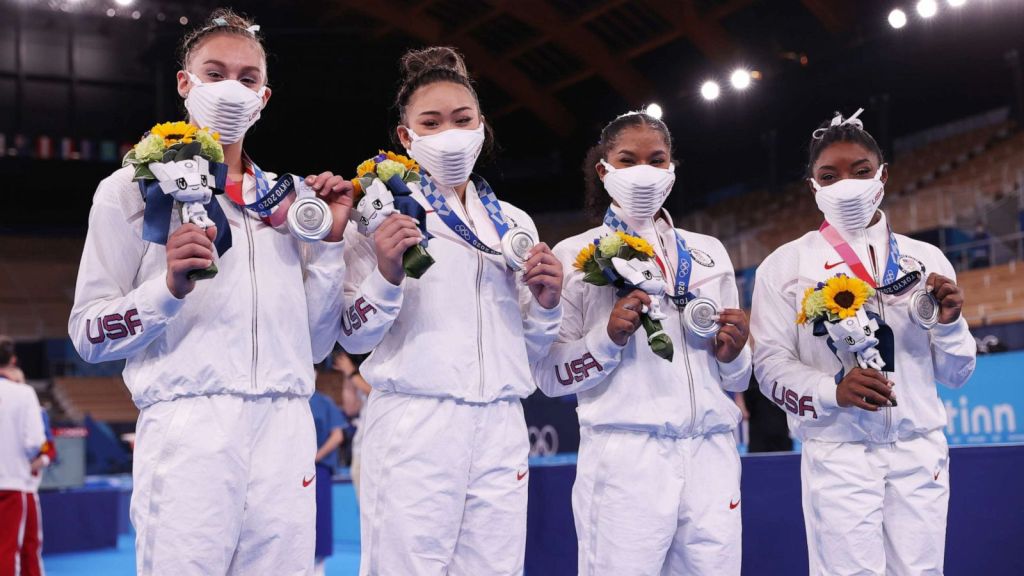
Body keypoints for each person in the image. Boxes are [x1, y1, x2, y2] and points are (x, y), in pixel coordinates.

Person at [67, 9, 353, 575]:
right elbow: (89, 334)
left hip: (286, 428)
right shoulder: (131, 190)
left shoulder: (293, 203)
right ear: (185, 82)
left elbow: (318, 344)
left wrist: (328, 246)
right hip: (189, 428)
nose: (231, 89)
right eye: (215, 73)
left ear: (263, 97)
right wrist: (166, 289)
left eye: (247, 79)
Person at [339, 46, 563, 576]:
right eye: (431, 122)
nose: (450, 133)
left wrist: (547, 306)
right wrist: (387, 273)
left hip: (502, 423)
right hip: (416, 419)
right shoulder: (377, 212)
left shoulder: (514, 223)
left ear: (482, 127)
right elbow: (351, 334)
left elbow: (531, 348)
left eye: (462, 120)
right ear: (405, 136)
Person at [751, 109, 976, 575]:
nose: (846, 185)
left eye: (860, 171)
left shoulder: (926, 259)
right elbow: (769, 366)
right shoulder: (786, 265)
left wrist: (950, 324)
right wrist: (830, 391)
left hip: (919, 448)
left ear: (883, 175)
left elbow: (957, 374)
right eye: (829, 176)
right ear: (813, 186)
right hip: (840, 451)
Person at [531, 111, 751, 575]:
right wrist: (607, 339)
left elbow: (737, 377)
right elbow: (549, 376)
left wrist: (734, 355)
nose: (644, 172)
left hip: (711, 452)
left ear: (672, 169)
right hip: (627, 456)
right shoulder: (574, 256)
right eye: (628, 160)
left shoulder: (709, 253)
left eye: (657, 160)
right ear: (603, 169)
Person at [0, 336, 47, 576]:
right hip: (12, 483)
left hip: (15, 482)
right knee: (8, 551)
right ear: (13, 361)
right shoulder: (24, 394)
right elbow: (36, 444)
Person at [309, 387, 347, 576]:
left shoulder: (323, 402)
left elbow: (337, 435)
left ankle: (319, 568)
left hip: (318, 468)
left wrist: (315, 456)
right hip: (291, 469)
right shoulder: (288, 402)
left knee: (320, 518)